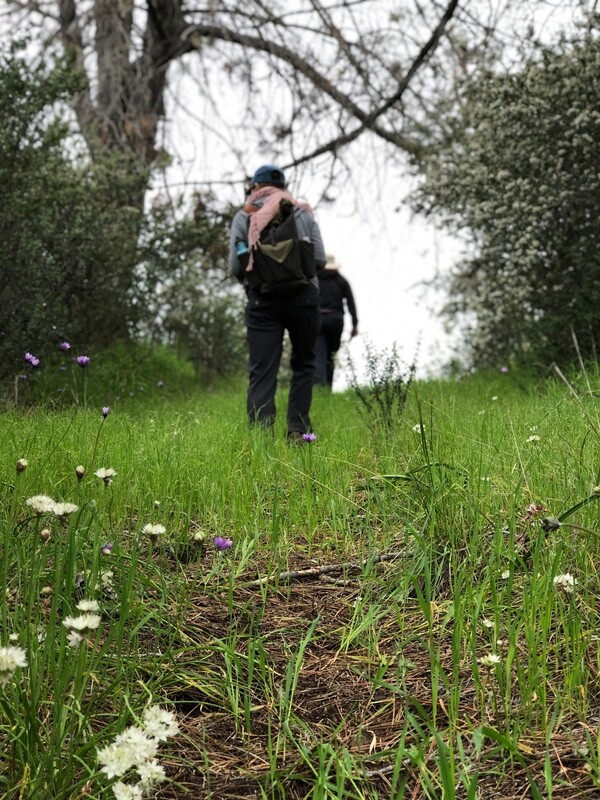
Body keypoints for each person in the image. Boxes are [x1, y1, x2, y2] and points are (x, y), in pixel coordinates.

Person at [229, 164, 326, 441]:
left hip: (263, 300)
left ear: (255, 187)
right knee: (304, 363)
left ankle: (262, 437)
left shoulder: (244, 216)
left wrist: (258, 280)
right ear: (283, 187)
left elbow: (236, 266)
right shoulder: (302, 212)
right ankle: (298, 429)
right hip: (304, 298)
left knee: (262, 370)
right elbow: (319, 259)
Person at [314, 255, 358, 388]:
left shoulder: (315, 279)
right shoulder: (341, 281)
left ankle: (319, 387)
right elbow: (351, 304)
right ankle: (327, 387)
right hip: (336, 321)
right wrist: (355, 324)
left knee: (319, 353)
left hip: (318, 319)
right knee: (331, 355)